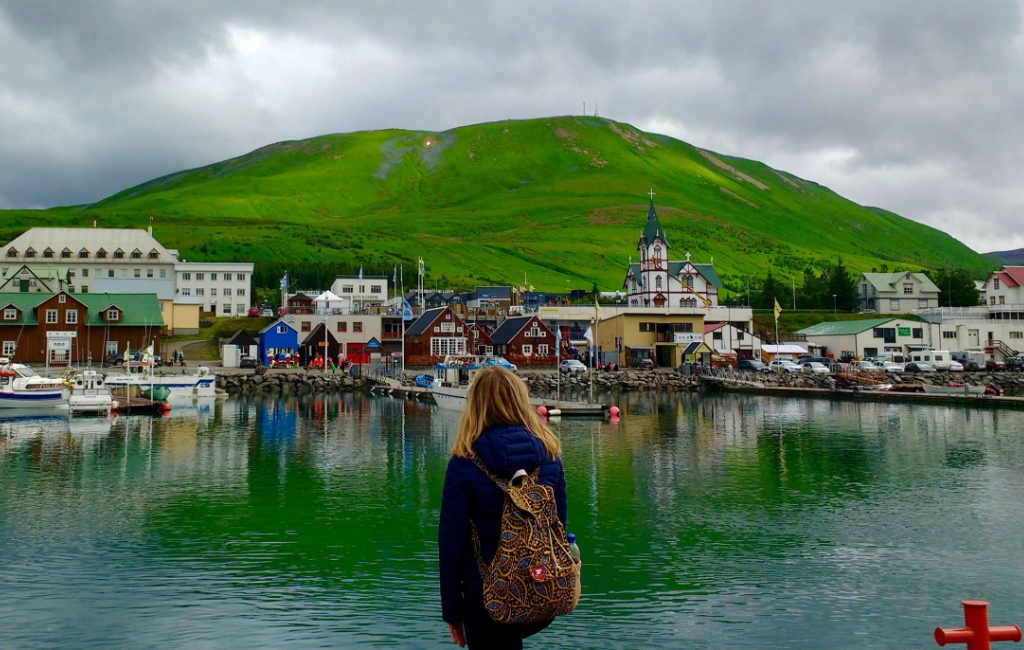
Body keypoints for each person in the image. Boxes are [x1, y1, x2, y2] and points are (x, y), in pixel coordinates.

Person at [438, 366, 567, 649]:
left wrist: (452, 612)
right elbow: (557, 529)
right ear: (521, 401)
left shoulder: (464, 463)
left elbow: (451, 546)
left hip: (484, 597)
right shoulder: (549, 457)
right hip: (537, 587)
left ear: (475, 405)